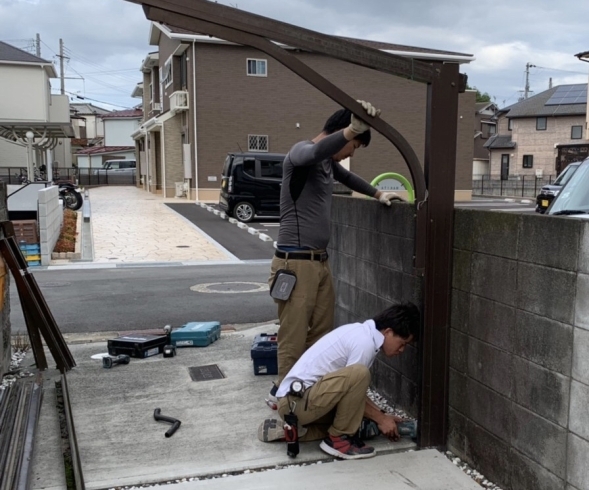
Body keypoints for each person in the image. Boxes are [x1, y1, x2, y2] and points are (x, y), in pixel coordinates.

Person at [267, 101, 402, 406]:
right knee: (293, 335)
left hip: (320, 262)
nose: (351, 153)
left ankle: (309, 397)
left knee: (321, 336)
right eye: (353, 145)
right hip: (295, 263)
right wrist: (351, 131)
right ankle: (285, 403)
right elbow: (313, 152)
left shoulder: (328, 164)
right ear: (342, 132)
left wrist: (378, 193)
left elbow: (348, 178)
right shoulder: (301, 153)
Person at [258, 302, 420, 460]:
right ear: (388, 332)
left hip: (299, 402)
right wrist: (381, 419)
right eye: (402, 343)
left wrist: (382, 414)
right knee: (360, 378)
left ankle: (295, 430)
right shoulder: (364, 343)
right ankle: (338, 440)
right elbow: (357, 380)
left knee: (357, 419)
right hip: (296, 403)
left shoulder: (362, 333)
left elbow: (354, 392)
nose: (401, 350)